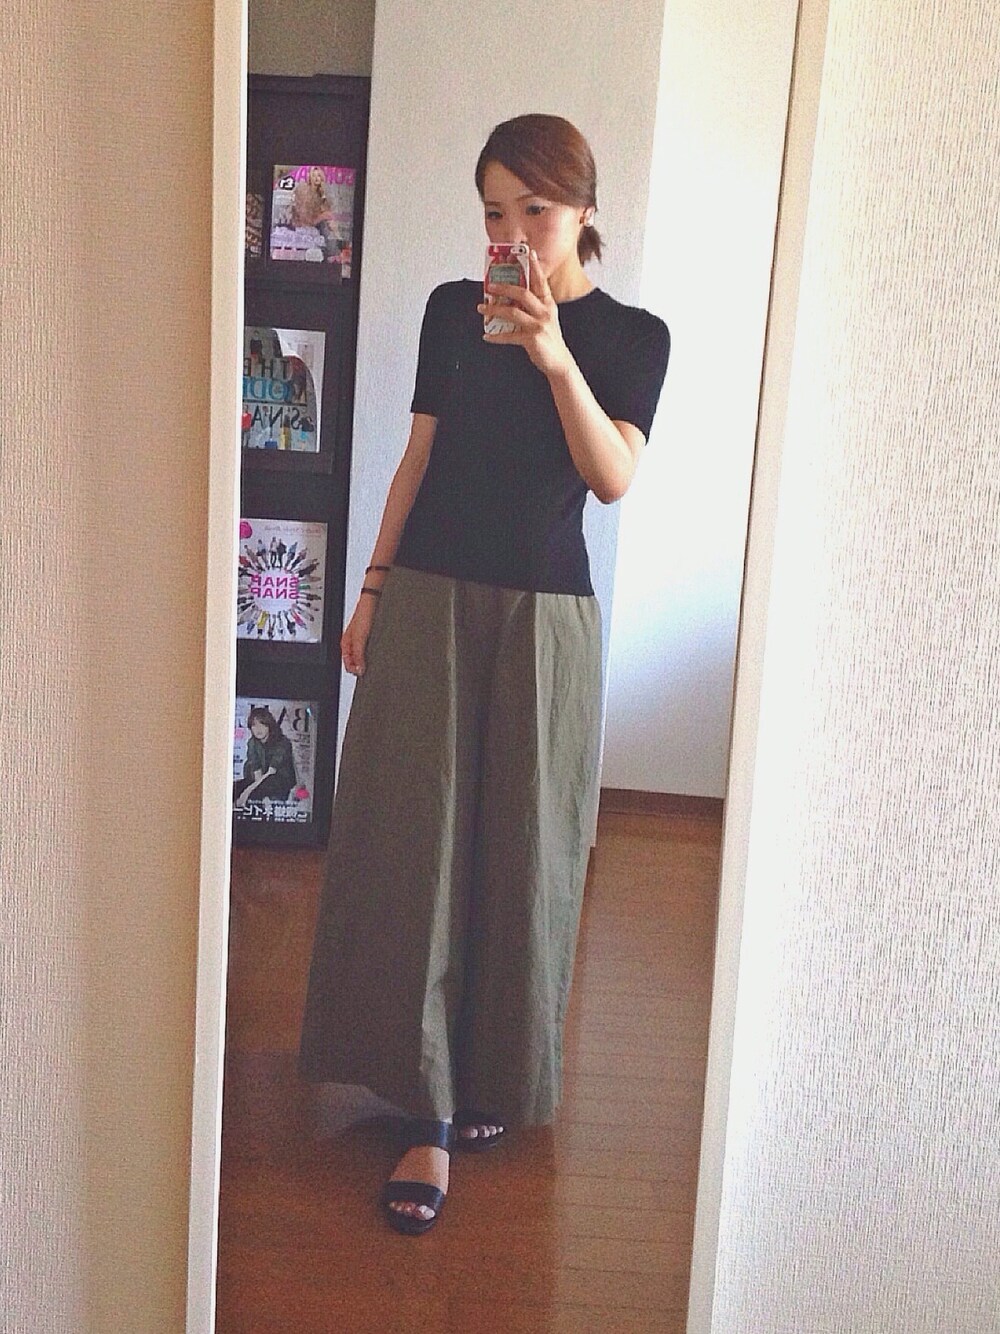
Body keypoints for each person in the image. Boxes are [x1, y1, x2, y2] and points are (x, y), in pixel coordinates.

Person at [298, 113, 670, 1235]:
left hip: (546, 619)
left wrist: (554, 355)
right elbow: (417, 457)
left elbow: (611, 478)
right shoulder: (447, 312)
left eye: (534, 210)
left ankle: (492, 1076)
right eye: (495, 213)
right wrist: (370, 589)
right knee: (410, 844)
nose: (511, 233)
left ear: (584, 211)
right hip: (427, 598)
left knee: (526, 856)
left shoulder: (633, 337)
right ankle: (424, 1106)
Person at [233, 707, 296, 807]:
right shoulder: (252, 743)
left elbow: (272, 770)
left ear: (269, 725)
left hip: (279, 780)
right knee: (235, 788)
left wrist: (246, 793)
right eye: (254, 725)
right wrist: (246, 790)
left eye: (262, 724)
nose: (258, 729)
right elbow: (256, 770)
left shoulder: (283, 743)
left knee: (253, 795)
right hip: (260, 779)